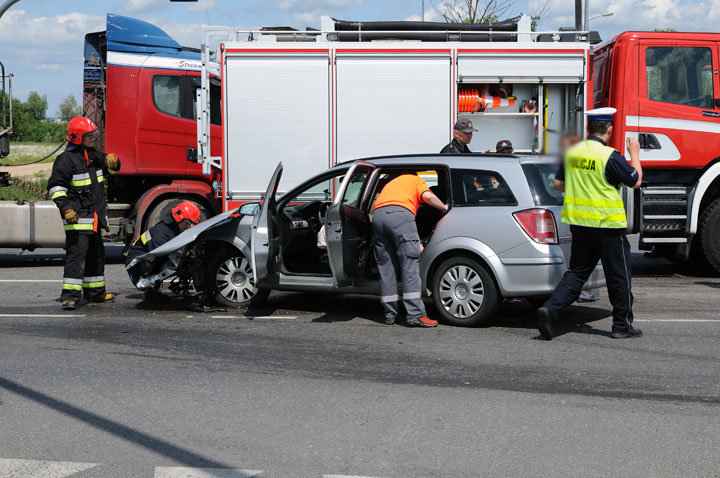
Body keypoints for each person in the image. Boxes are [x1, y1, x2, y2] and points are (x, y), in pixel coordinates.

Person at [536, 107, 643, 340]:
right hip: (607, 226)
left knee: (577, 273)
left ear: (588, 128)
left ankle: (550, 310)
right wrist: (634, 153)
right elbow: (635, 181)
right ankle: (621, 325)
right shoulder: (610, 156)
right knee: (619, 275)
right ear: (610, 129)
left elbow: (557, 184)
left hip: (580, 224)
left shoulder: (573, 153)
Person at [48, 117, 120, 310]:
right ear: (78, 137)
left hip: (94, 218)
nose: (93, 138)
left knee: (96, 256)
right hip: (77, 218)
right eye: (89, 135)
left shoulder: (92, 155)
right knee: (76, 258)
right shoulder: (65, 160)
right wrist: (66, 209)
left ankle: (95, 293)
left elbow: (110, 169)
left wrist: (114, 162)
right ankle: (69, 296)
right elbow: (55, 188)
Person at [372, 171, 447, 327]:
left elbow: (375, 204)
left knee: (386, 268)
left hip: (378, 216)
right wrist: (444, 207)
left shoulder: (391, 184)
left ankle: (390, 314)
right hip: (400, 215)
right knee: (409, 265)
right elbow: (427, 197)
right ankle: (415, 314)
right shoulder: (415, 180)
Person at [125, 201, 201, 300]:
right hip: (137, 266)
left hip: (144, 260)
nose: (188, 227)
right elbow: (161, 255)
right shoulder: (161, 234)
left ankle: (152, 289)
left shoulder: (172, 229)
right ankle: (151, 290)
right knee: (174, 262)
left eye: (191, 225)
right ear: (179, 219)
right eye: (187, 223)